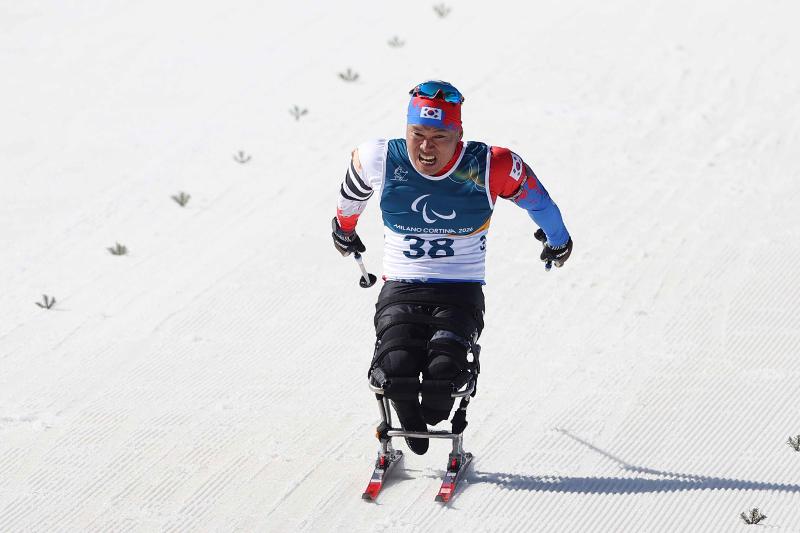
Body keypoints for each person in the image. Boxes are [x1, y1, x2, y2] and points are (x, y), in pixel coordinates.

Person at [331, 80, 572, 455]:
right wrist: (344, 232)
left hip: (459, 289)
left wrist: (558, 241)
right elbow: (349, 201)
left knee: (444, 379)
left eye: (439, 136)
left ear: (459, 134)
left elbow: (540, 202)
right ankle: (411, 431)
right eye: (418, 134)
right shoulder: (378, 158)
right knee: (395, 369)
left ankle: (427, 421)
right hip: (401, 286)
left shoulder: (491, 166)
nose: (426, 147)